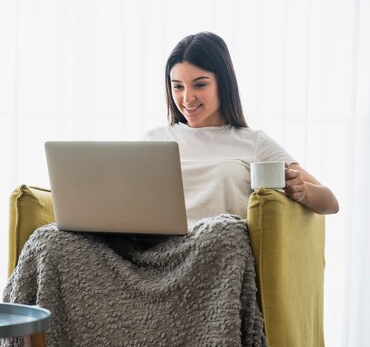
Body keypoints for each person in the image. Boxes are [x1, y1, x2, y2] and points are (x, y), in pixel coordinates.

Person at [144, 31, 339, 227]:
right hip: (157, 247)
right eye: (178, 87)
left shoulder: (253, 142)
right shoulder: (153, 139)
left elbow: (331, 203)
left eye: (200, 84)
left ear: (224, 83)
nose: (187, 98)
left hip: (215, 245)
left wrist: (302, 190)